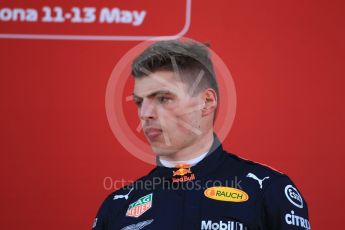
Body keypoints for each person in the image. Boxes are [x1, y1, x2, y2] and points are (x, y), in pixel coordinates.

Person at [92, 39, 310, 230]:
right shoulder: (118, 205)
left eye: (163, 99)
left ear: (206, 103)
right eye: (140, 102)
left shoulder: (269, 189)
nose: (145, 114)